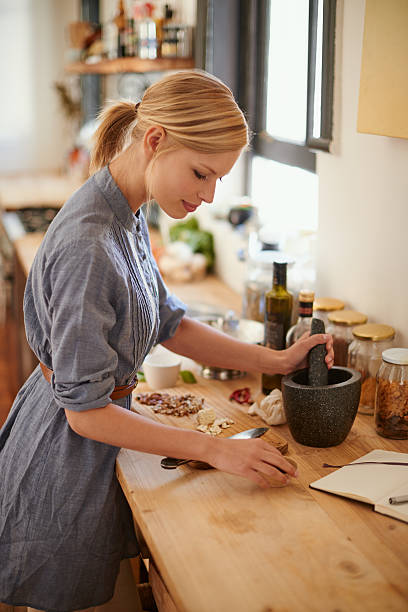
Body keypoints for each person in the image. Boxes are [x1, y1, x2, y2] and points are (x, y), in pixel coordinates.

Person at [0, 70, 333, 612]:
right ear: (155, 139)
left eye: (218, 179)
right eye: (202, 173)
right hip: (64, 464)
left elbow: (171, 324)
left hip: (98, 449)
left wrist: (276, 357)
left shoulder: (125, 212)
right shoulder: (90, 244)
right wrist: (215, 450)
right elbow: (84, 414)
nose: (208, 195)